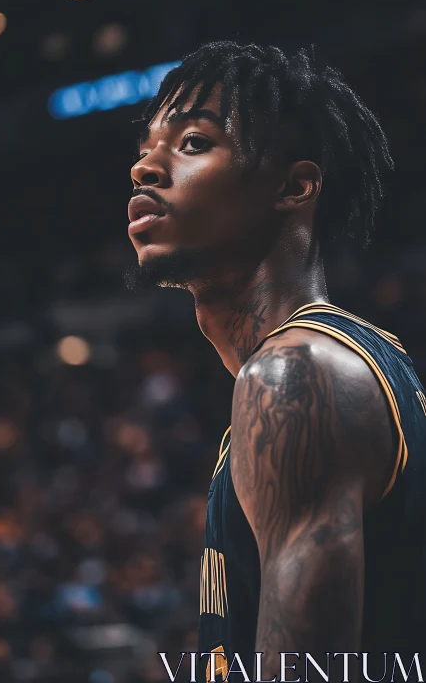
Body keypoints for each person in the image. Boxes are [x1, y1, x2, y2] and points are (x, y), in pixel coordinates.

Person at [126, 41, 426, 682]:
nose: (145, 168)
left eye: (193, 143)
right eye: (147, 147)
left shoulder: (298, 375)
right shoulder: (356, 361)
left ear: (293, 188)